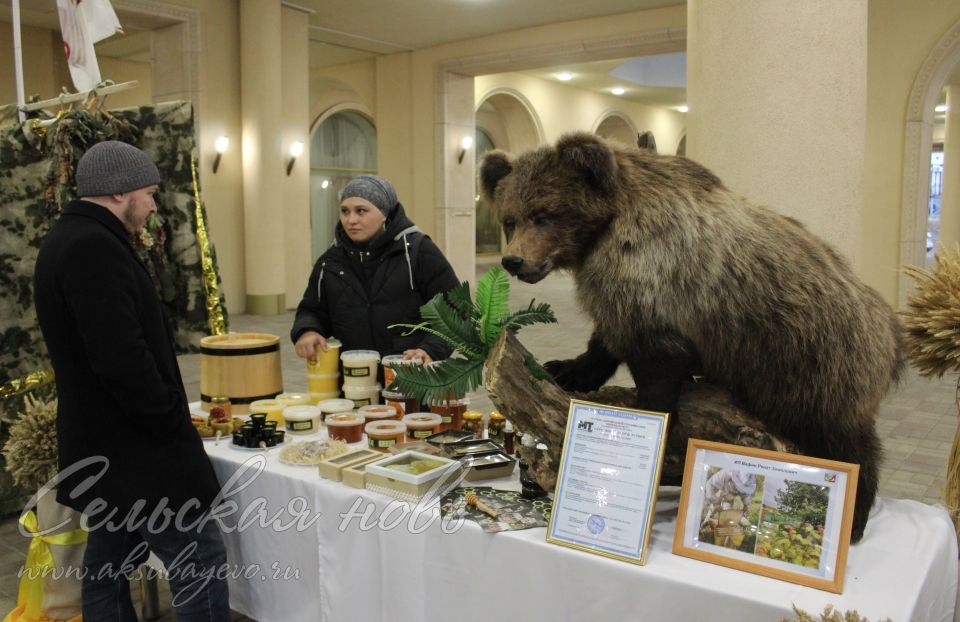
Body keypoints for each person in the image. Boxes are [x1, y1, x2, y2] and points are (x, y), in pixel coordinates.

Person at [33, 141, 229, 622]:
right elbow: (120, 357)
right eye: (150, 193)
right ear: (120, 193)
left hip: (106, 448)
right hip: (138, 452)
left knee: (108, 567)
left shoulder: (70, 238)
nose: (154, 205)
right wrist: (166, 417)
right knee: (199, 560)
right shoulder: (92, 248)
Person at [291, 174, 460, 365]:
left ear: (384, 213)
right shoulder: (330, 261)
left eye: (361, 211)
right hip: (353, 382)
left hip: (410, 378)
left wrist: (430, 349)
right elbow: (312, 310)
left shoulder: (418, 251)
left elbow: (456, 311)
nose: (351, 220)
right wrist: (308, 330)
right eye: (345, 211)